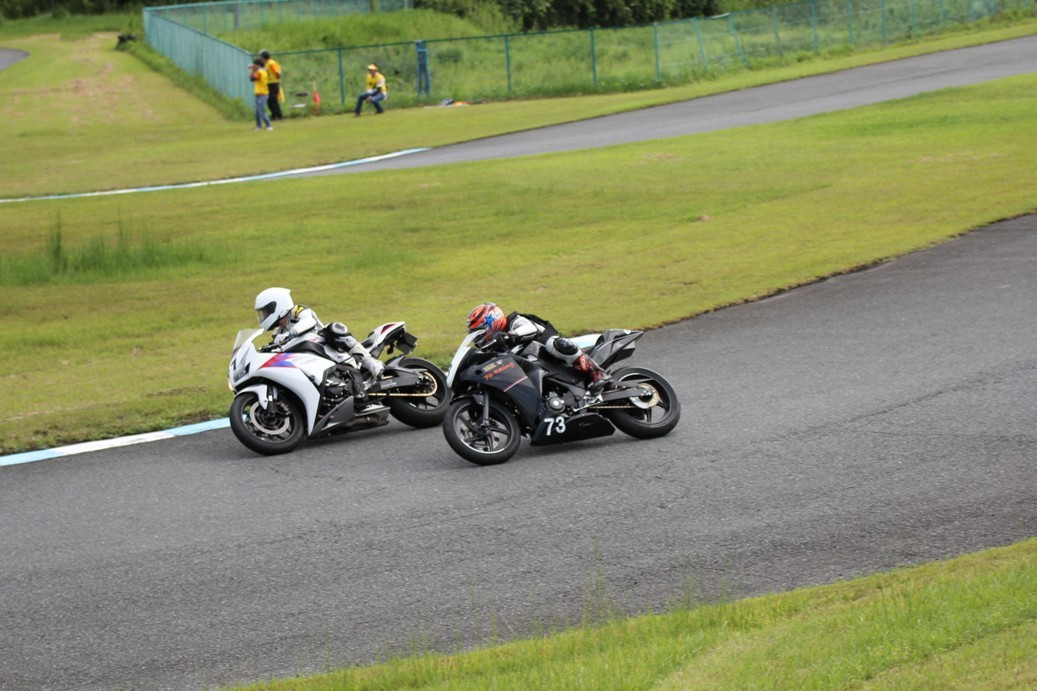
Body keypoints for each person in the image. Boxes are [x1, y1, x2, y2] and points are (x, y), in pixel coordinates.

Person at [466, 303, 610, 395]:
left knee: (556, 344)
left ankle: (596, 372)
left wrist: (510, 336)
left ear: (491, 321)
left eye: (480, 332)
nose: (479, 338)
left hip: (545, 352)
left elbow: (530, 329)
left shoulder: (513, 321)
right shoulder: (494, 346)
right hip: (532, 369)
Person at [254, 287, 383, 377]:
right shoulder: (279, 332)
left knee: (334, 328)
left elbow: (309, 320)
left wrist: (290, 334)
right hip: (308, 363)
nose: (264, 316)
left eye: (266, 311)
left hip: (328, 348)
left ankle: (371, 363)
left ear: (277, 306)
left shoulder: (297, 311)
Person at [249, 58, 273, 131]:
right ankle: (259, 126)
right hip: (259, 93)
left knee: (262, 111)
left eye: (255, 65)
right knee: (257, 112)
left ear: (258, 65)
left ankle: (269, 125)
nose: (254, 66)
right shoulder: (262, 71)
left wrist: (252, 71)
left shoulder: (260, 72)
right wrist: (253, 71)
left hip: (262, 94)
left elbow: (252, 78)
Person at [259, 50, 283, 121]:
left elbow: (277, 72)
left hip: (273, 83)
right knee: (269, 100)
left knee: (273, 99)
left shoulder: (271, 63)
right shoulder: (265, 63)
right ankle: (274, 114)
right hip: (268, 83)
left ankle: (278, 115)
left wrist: (278, 80)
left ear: (263, 57)